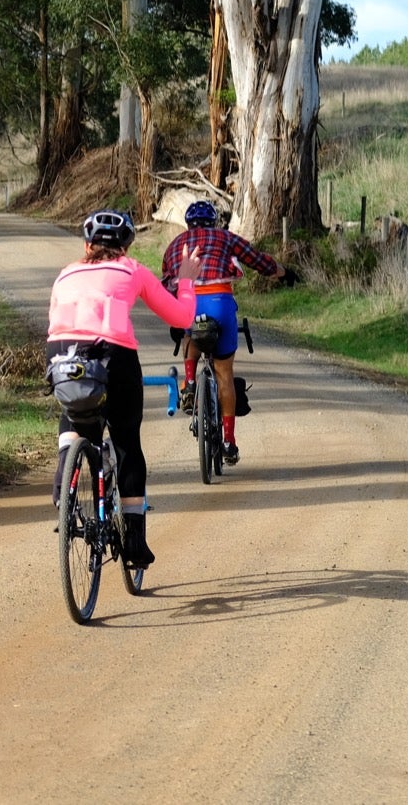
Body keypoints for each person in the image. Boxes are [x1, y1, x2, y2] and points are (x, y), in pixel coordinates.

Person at [47, 208, 199, 568]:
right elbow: (182, 317)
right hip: (113, 354)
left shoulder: (65, 274)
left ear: (87, 245)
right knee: (127, 440)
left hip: (60, 354)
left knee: (75, 413)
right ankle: (133, 540)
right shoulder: (132, 270)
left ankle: (63, 479)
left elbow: (55, 322)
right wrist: (187, 280)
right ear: (126, 246)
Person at [162, 200, 280, 466]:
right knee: (225, 374)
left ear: (188, 224)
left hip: (191, 302)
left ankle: (190, 382)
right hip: (222, 302)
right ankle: (228, 442)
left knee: (189, 332)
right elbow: (257, 259)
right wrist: (281, 272)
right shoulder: (226, 237)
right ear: (214, 223)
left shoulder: (175, 244)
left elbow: (168, 281)